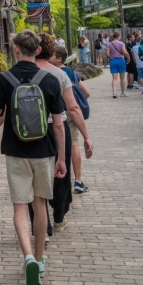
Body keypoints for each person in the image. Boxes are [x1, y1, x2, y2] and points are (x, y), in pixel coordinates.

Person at [0, 30, 66, 285]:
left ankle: (27, 256)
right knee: (40, 205)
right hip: (44, 151)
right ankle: (39, 261)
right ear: (38, 50)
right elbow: (59, 125)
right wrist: (62, 158)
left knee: (20, 207)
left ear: (16, 49)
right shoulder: (50, 80)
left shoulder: (4, 79)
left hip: (15, 150)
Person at [34, 33, 92, 230]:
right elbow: (73, 107)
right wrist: (86, 136)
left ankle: (41, 225)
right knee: (61, 173)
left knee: (36, 175)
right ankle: (59, 217)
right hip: (57, 127)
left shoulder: (21, 72)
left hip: (31, 129)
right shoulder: (60, 74)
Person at [50, 45, 91, 194]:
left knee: (55, 145)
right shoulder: (71, 73)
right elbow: (86, 93)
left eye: (52, 55)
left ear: (59, 59)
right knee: (74, 144)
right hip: (71, 112)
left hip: (56, 113)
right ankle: (78, 181)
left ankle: (55, 180)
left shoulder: (50, 72)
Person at [107, 31, 129, 98]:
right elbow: (125, 52)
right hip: (121, 61)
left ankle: (114, 92)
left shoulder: (109, 44)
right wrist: (128, 57)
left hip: (113, 61)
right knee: (122, 78)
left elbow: (107, 54)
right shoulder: (121, 43)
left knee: (114, 78)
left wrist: (112, 55)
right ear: (118, 36)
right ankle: (122, 92)